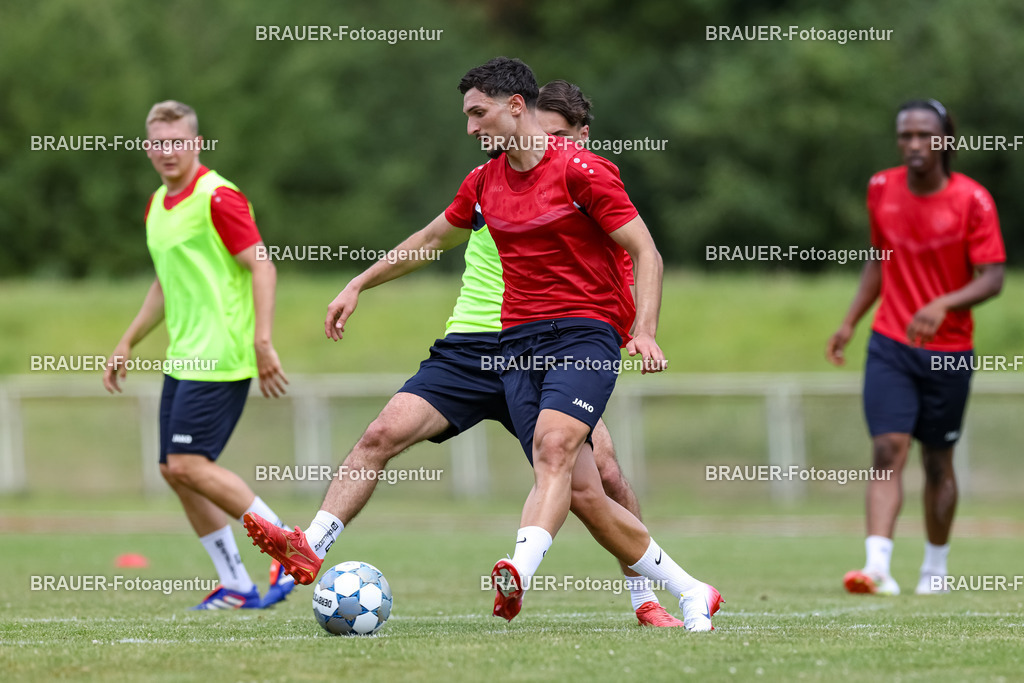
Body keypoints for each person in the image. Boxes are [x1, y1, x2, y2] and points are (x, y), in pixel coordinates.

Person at [245, 66, 720, 630]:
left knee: (574, 462)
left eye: (478, 113)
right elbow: (427, 240)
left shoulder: (585, 174)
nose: (469, 127)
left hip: (580, 337)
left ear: (517, 106)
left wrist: (644, 328)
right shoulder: (483, 184)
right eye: (467, 115)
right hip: (497, 345)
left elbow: (646, 253)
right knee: (584, 492)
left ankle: (546, 577)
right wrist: (357, 283)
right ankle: (693, 589)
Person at [103, 100, 295, 610]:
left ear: (196, 144)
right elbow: (167, 286)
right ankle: (235, 583)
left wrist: (262, 339)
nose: (169, 151)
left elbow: (263, 267)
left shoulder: (218, 197)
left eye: (178, 142)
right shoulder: (155, 207)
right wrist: (128, 341)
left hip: (223, 351)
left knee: (188, 461)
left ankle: (285, 545)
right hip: (183, 355)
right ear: (149, 148)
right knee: (173, 468)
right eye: (159, 143)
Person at [826, 99, 1005, 596]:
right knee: (887, 448)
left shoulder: (973, 200)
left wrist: (944, 303)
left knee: (937, 461)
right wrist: (849, 322)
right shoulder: (881, 188)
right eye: (905, 135)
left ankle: (935, 570)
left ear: (946, 138)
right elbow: (878, 260)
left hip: (949, 350)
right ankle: (877, 567)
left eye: (925, 135)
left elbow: (993, 278)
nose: (914, 145)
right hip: (889, 343)